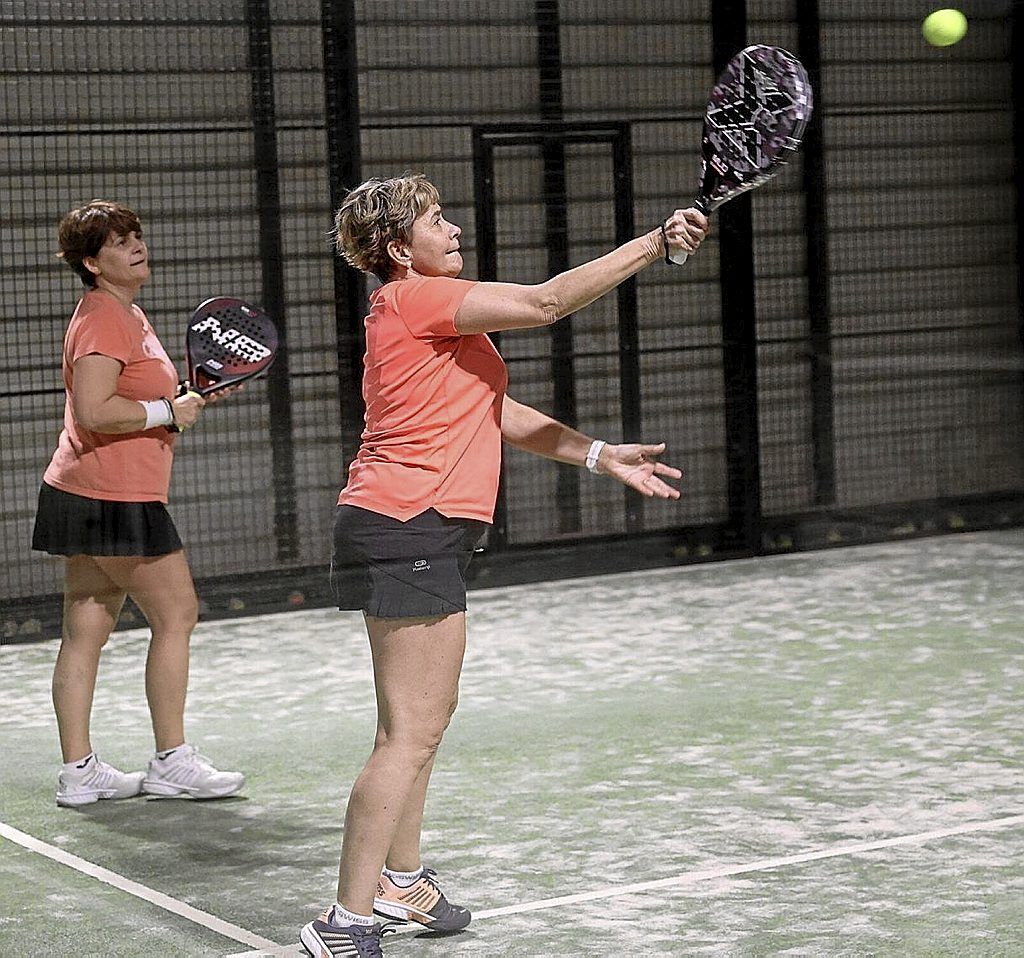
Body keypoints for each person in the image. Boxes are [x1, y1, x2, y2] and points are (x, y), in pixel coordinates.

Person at [299, 172, 708, 957]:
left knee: (417, 726)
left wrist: (596, 454)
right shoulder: (416, 298)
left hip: (410, 525)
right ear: (397, 250)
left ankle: (401, 881)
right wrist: (655, 244)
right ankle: (344, 924)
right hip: (405, 522)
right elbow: (547, 303)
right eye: (435, 221)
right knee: (408, 735)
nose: (452, 230)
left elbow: (494, 411)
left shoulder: (424, 317)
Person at [32, 199, 245, 808]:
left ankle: (80, 772)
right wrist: (165, 412)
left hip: (84, 490)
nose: (135, 246)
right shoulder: (103, 319)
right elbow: (97, 410)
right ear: (92, 262)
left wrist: (177, 406)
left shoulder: (124, 312)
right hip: (114, 496)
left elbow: (132, 402)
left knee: (85, 630)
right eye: (119, 242)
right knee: (177, 615)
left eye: (136, 236)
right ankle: (173, 761)